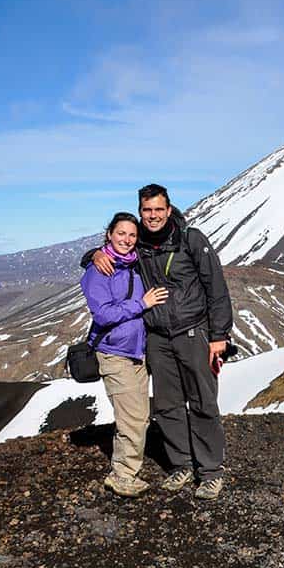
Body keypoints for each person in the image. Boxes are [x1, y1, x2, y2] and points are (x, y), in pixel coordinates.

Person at [90, 184, 233, 500]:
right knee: (167, 405)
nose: (152, 216)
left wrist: (219, 335)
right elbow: (117, 249)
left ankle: (210, 472)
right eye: (147, 210)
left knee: (202, 402)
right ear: (141, 212)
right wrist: (94, 254)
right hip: (157, 337)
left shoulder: (190, 239)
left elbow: (216, 288)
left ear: (169, 210)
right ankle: (181, 464)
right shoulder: (139, 241)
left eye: (158, 209)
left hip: (193, 333)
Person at [80, 212, 169, 498]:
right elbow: (103, 314)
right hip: (114, 352)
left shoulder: (134, 264)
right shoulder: (99, 271)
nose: (127, 240)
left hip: (137, 352)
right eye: (121, 234)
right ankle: (122, 475)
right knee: (131, 417)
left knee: (140, 416)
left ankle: (128, 467)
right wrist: (140, 304)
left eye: (132, 235)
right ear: (109, 234)